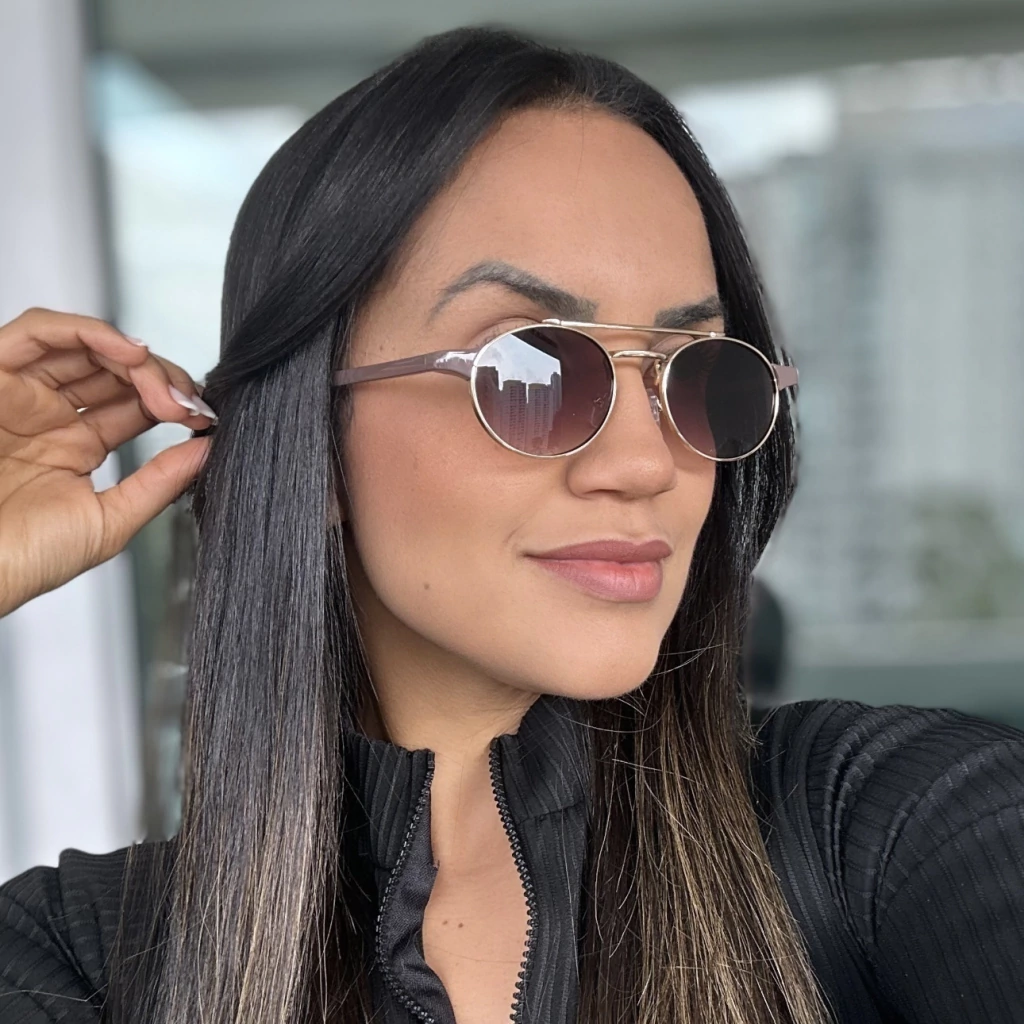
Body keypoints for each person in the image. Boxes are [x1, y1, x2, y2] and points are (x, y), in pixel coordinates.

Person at [1, 25, 1022, 1024]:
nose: (645, 463)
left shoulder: (891, 823)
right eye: (532, 370)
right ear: (309, 431)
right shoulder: (80, 959)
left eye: (695, 372)